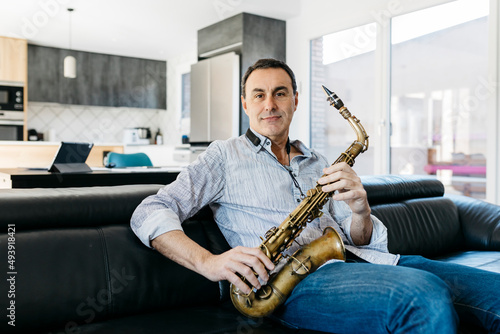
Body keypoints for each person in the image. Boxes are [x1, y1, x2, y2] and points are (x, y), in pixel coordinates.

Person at [131, 58, 500, 333]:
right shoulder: (222, 156)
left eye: (280, 93)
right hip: (290, 284)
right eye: (258, 95)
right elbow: (151, 210)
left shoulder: (318, 160)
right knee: (423, 295)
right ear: (246, 104)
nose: (269, 104)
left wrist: (360, 209)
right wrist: (209, 263)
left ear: (295, 100)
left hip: (364, 261)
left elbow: (358, 239)